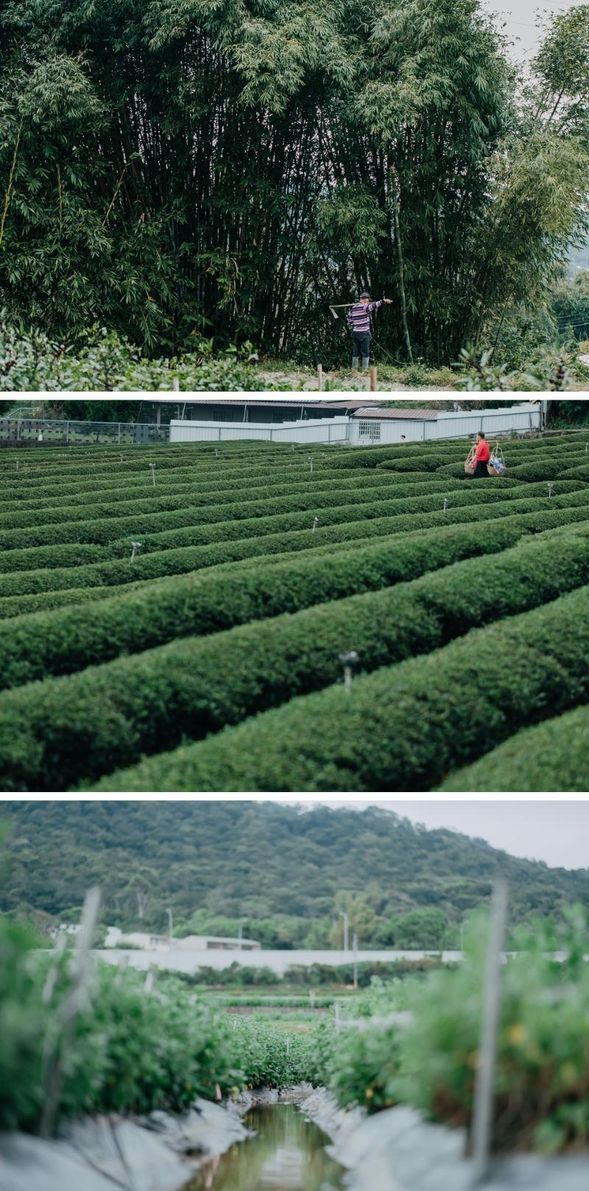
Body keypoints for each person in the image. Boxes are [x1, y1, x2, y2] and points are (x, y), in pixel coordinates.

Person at [346, 293, 392, 370]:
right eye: (367, 300)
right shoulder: (365, 307)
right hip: (364, 333)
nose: (368, 301)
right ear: (365, 299)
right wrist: (383, 301)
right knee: (365, 352)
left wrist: (355, 324)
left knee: (355, 351)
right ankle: (364, 370)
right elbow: (374, 305)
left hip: (355, 333)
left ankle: (354, 369)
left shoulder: (353, 308)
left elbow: (348, 319)